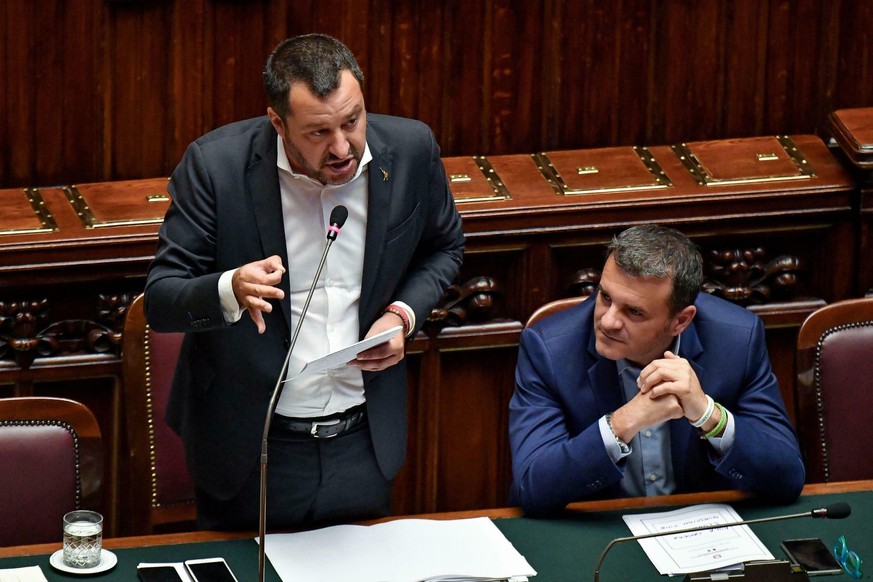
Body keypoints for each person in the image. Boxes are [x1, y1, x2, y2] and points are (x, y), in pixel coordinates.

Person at [144, 33, 465, 530]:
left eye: (352, 121)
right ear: (278, 123)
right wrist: (229, 289)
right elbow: (162, 297)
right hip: (253, 449)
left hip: (364, 442)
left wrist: (402, 315)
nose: (343, 148)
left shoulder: (409, 150)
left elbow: (445, 247)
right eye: (318, 133)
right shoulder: (217, 167)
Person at [508, 225, 805, 516]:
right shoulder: (549, 350)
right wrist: (624, 422)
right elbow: (531, 488)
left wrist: (707, 414)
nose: (608, 321)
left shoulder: (736, 340)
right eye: (605, 297)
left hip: (700, 530)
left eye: (633, 311)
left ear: (681, 321)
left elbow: (787, 476)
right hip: (601, 532)